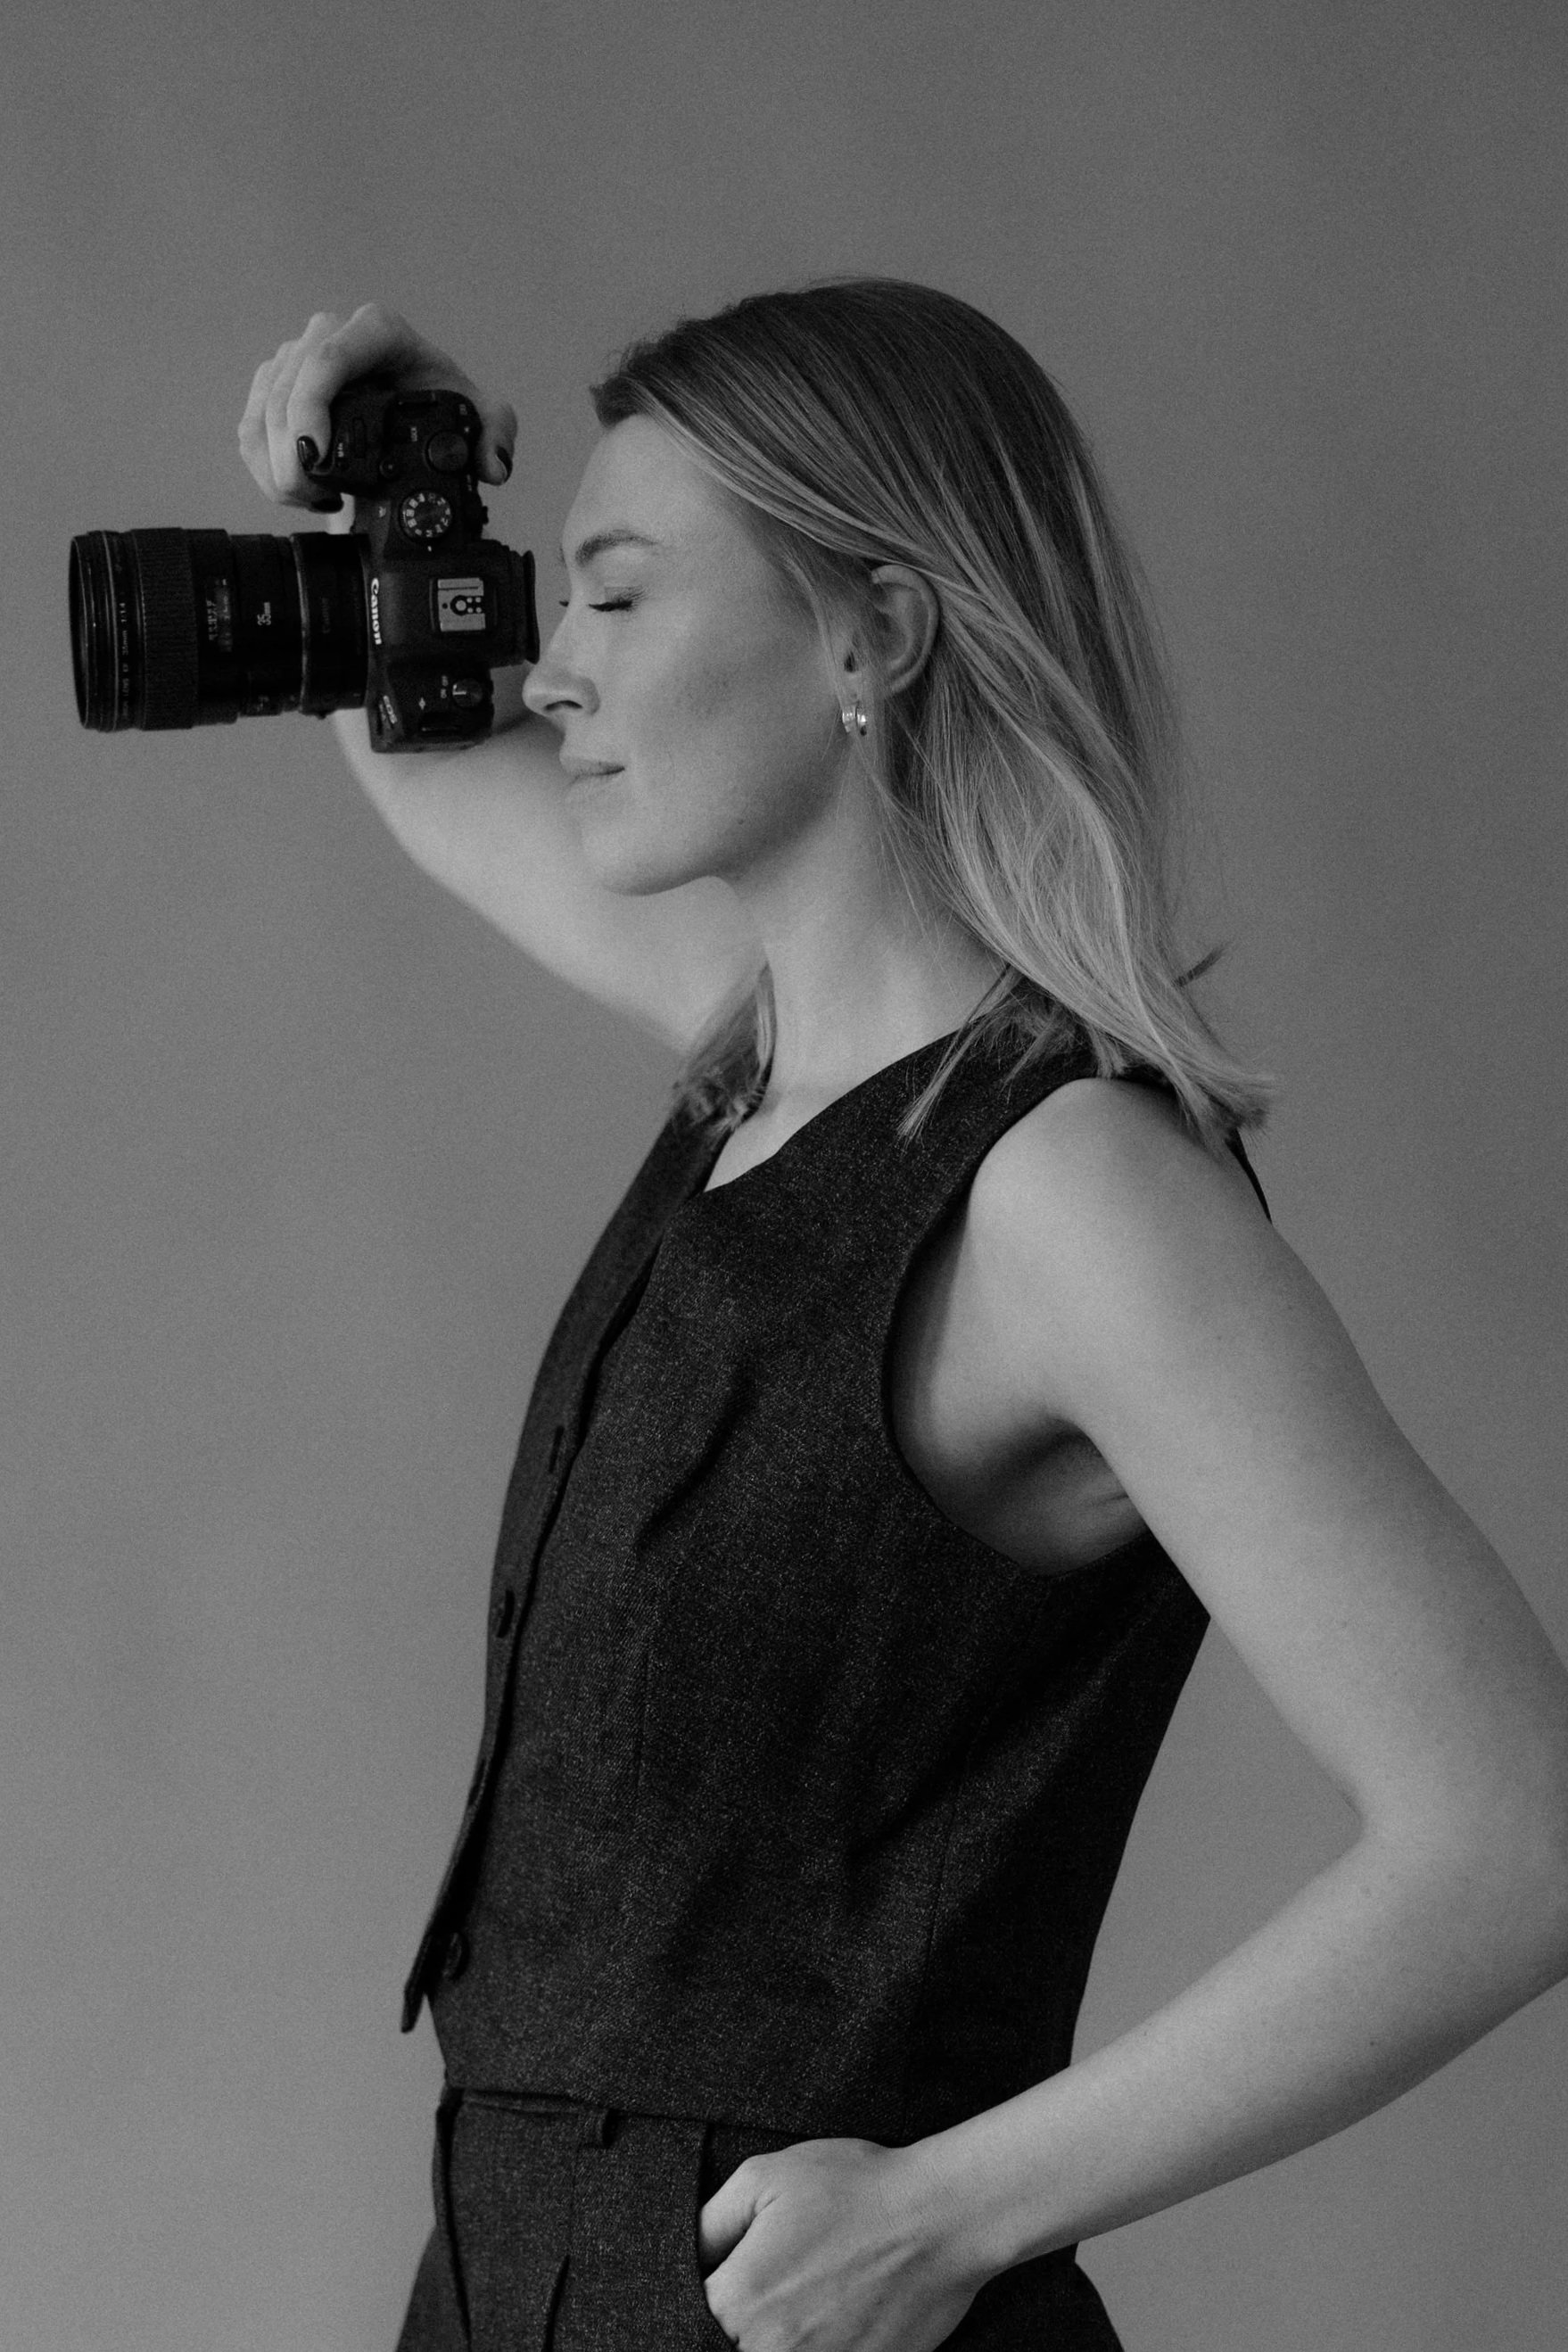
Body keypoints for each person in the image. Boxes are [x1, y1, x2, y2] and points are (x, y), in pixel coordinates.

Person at [239, 283, 1568, 2352]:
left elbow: (1519, 1831)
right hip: (507, 2290)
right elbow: (433, 774)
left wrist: (958, 2206)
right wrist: (373, 508)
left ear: (874, 634)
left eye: (615, 595)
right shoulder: (753, 1065)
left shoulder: (1070, 1191)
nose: (550, 661)